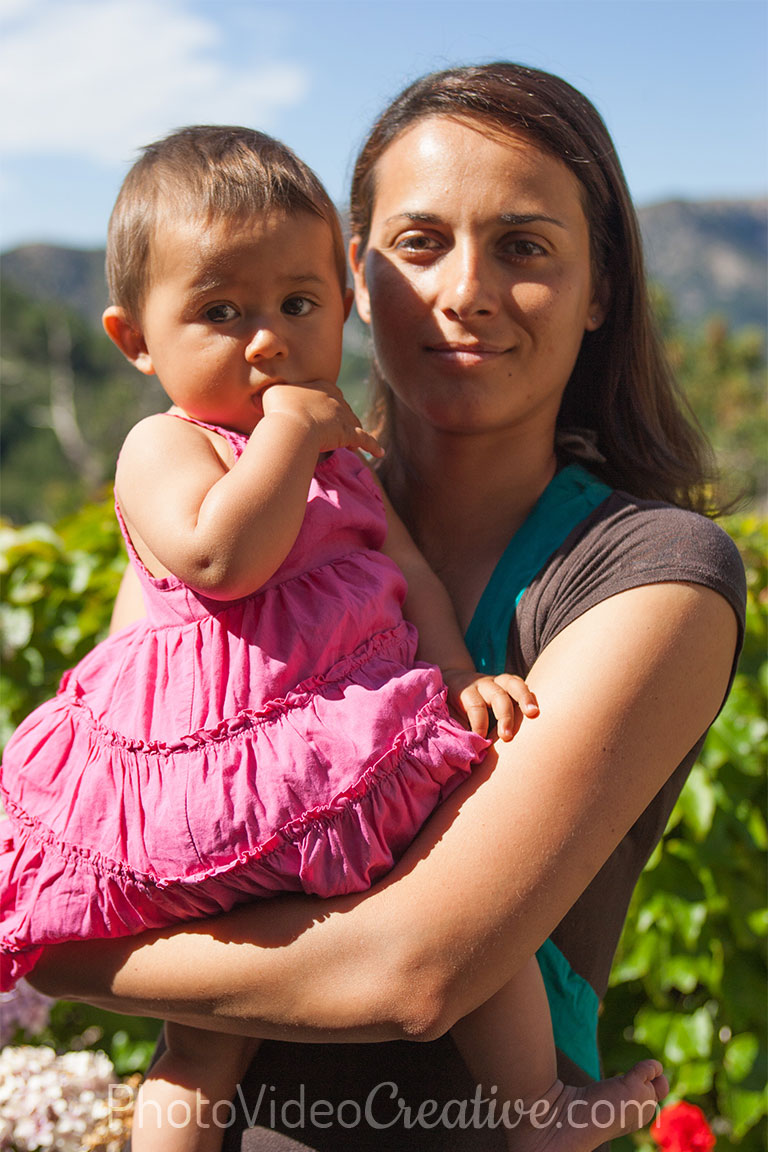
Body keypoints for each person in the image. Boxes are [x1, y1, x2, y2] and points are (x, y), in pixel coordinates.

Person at [26, 65, 745, 1152]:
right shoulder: (235, 514)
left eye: (525, 246)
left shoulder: (651, 575)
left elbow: (414, 975)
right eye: (419, 245)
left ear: (601, 288)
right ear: (360, 275)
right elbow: (135, 808)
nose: (466, 290)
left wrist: (59, 949)